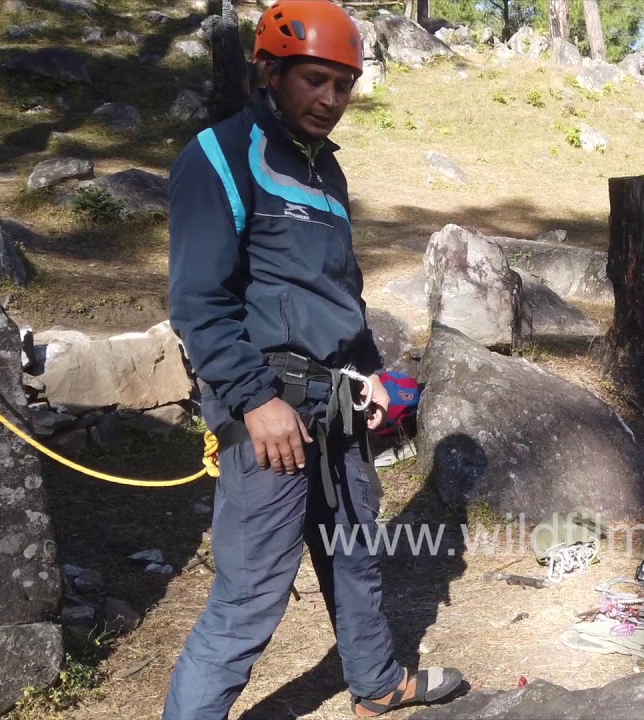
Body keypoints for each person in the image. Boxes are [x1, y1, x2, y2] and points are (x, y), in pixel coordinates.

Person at [163, 2, 463, 717]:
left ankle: (376, 683)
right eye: (315, 80)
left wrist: (378, 378)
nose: (330, 100)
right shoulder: (220, 156)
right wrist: (254, 400)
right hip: (268, 407)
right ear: (270, 70)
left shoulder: (328, 175)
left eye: (343, 84)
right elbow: (198, 300)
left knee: (356, 555)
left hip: (336, 405)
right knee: (252, 594)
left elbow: (338, 296)